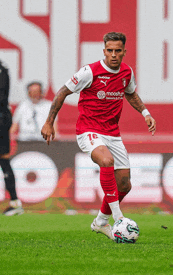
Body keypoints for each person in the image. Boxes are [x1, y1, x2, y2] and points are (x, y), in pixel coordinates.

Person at [41, 32, 156, 240]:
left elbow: (130, 93)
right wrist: (49, 121)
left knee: (124, 184)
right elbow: (62, 92)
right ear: (104, 51)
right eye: (109, 51)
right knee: (106, 160)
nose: (113, 55)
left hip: (112, 133)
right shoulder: (89, 72)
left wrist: (146, 113)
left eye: (117, 51)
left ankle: (101, 222)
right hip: (89, 130)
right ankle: (119, 218)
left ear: (124, 52)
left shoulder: (127, 72)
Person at [0, 60, 24, 216]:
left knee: (4, 159)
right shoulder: (3, 70)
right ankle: (15, 202)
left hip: (1, 119)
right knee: (4, 160)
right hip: (3, 118)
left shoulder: (2, 72)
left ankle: (15, 202)